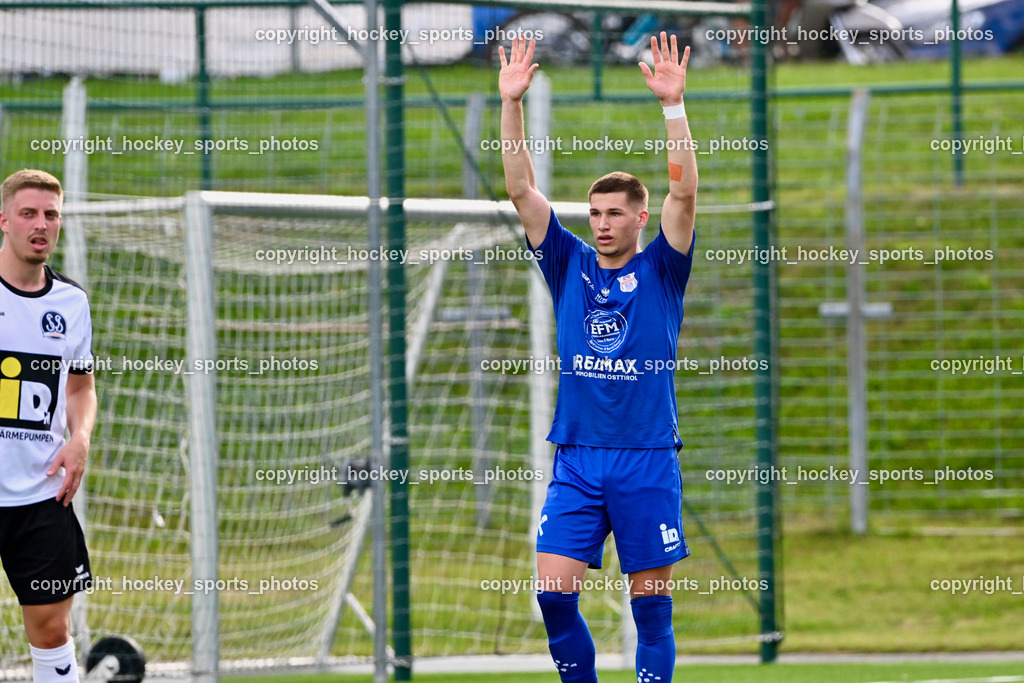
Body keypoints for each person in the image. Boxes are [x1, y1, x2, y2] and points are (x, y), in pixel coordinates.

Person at [498, 32, 697, 682]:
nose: (602, 223)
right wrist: (511, 103)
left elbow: (684, 195)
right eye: (594, 213)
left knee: (651, 610)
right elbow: (522, 190)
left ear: (640, 218)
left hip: (645, 456)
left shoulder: (663, 269)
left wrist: (673, 108)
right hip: (579, 457)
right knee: (554, 595)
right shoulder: (568, 263)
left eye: (614, 213)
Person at [0, 169, 96, 683]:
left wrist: (80, 437)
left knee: (53, 628)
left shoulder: (71, 303)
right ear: (4, 220)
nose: (41, 224)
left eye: (51, 215)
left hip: (41, 494)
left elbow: (80, 387)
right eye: (29, 213)